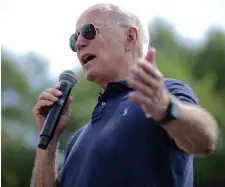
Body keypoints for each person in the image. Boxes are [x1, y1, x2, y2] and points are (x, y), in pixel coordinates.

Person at [30, 3, 218, 187]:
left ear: (129, 37)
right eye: (74, 39)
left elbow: (206, 139)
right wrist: (50, 141)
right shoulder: (78, 138)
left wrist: (167, 109)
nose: (79, 43)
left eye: (89, 31)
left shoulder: (167, 92)